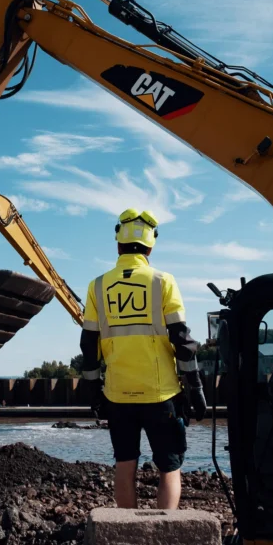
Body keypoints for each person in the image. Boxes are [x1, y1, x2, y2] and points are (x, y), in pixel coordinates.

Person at [80, 208, 207, 509]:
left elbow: (89, 345)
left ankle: (125, 536)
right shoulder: (163, 282)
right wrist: (196, 387)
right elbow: (183, 342)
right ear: (150, 247)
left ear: (118, 245)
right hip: (160, 394)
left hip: (118, 395)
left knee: (125, 464)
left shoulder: (97, 286)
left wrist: (92, 390)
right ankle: (164, 534)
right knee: (170, 467)